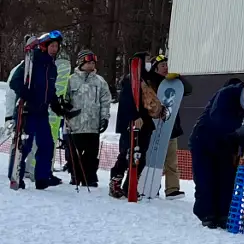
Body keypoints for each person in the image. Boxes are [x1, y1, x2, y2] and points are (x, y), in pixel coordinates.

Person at [189, 78, 244, 227]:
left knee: (226, 178)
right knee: (206, 178)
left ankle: (223, 214)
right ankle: (207, 214)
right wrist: (237, 130)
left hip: (226, 143)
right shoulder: (227, 94)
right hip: (204, 139)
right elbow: (217, 118)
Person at [9, 31, 69, 190]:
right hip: (28, 110)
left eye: (57, 46)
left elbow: (50, 91)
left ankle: (42, 177)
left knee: (47, 144)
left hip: (42, 112)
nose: (55, 49)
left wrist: (56, 105)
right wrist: (25, 92)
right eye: (52, 46)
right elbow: (14, 82)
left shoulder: (52, 67)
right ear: (44, 46)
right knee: (25, 145)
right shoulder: (32, 60)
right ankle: (17, 176)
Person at [108, 52, 164, 198]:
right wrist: (134, 116)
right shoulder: (131, 79)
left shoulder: (148, 79)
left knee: (141, 156)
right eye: (146, 60)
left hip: (146, 124)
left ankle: (130, 186)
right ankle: (115, 182)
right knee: (126, 154)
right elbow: (127, 101)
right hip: (131, 124)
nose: (149, 63)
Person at [62, 49, 112, 187]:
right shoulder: (70, 80)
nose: (91, 65)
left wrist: (104, 118)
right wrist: (65, 107)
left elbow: (105, 101)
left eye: (93, 63)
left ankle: (90, 177)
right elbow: (64, 98)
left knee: (91, 154)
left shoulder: (100, 81)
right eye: (89, 62)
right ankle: (75, 175)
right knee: (74, 153)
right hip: (75, 125)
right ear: (81, 63)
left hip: (93, 125)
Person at [147, 52, 192, 198]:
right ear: (155, 68)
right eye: (162, 65)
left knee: (171, 161)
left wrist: (179, 78)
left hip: (171, 127)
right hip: (153, 128)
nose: (166, 68)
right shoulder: (150, 82)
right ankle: (152, 185)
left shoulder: (174, 83)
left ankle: (172, 189)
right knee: (154, 158)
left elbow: (188, 90)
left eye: (167, 65)